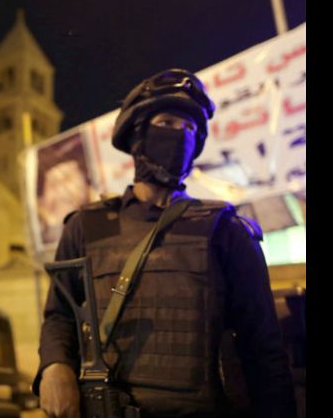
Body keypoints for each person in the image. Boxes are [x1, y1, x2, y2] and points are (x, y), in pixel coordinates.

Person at [34, 69, 296, 418]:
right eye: (168, 123)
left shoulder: (224, 229)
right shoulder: (87, 226)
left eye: (190, 129)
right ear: (138, 134)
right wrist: (54, 367)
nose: (181, 136)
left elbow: (263, 350)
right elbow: (59, 315)